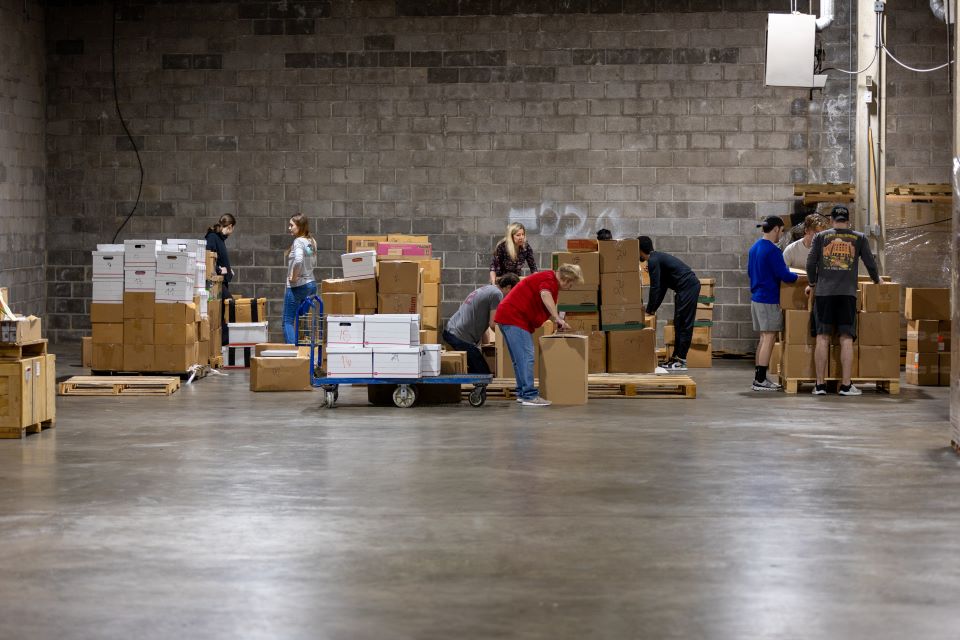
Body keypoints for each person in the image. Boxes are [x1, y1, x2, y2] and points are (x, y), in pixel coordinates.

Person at [805, 205, 880, 396]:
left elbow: (810, 262)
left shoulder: (821, 237)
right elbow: (870, 262)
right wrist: (875, 279)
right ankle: (846, 385)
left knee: (822, 337)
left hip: (824, 294)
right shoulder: (859, 238)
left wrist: (813, 283)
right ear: (848, 220)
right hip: (847, 295)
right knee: (846, 338)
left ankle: (820, 385)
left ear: (831, 220)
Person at [494, 264, 584, 406]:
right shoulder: (550, 280)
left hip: (509, 316)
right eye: (571, 284)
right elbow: (544, 294)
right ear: (566, 279)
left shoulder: (549, 279)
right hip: (514, 318)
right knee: (527, 356)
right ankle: (529, 395)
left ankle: (523, 393)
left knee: (520, 359)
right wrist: (557, 318)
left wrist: (556, 319)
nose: (570, 287)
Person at [747, 216, 799, 391]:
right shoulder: (772, 250)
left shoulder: (754, 248)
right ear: (776, 229)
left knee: (763, 338)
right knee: (769, 338)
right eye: (781, 231)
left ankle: (759, 378)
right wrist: (800, 277)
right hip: (768, 298)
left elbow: (749, 272)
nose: (781, 235)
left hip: (756, 297)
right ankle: (760, 380)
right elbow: (784, 275)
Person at [638, 236, 701, 372]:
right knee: (678, 323)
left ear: (640, 250)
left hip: (689, 286)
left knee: (684, 323)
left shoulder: (653, 260)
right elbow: (662, 287)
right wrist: (652, 309)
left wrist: (650, 309)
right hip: (684, 289)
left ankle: (681, 361)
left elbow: (655, 287)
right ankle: (675, 359)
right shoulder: (657, 259)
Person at [443, 274, 520, 374]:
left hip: (450, 331)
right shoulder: (497, 294)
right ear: (509, 287)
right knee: (483, 374)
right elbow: (493, 324)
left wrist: (486, 346)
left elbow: (484, 321)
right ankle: (477, 389)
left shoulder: (489, 288)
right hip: (460, 337)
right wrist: (508, 340)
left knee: (476, 368)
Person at [282, 214, 318, 344]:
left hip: (298, 286)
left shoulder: (298, 242)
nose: (289, 227)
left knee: (287, 321)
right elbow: (313, 261)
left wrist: (294, 276)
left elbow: (298, 260)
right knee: (303, 321)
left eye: (292, 225)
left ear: (300, 226)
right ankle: (305, 354)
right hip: (311, 285)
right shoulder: (311, 241)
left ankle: (294, 357)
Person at [205, 214, 236, 344]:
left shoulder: (220, 238)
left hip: (221, 281)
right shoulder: (213, 237)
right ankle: (225, 341)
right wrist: (219, 270)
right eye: (232, 229)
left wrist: (229, 269)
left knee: (222, 311)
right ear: (229, 226)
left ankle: (221, 343)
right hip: (215, 282)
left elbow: (219, 258)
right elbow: (208, 256)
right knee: (230, 304)